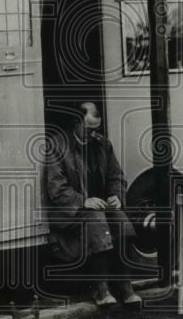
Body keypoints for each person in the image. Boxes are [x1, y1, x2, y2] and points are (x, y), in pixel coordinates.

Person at [42, 101, 143, 308]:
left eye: (96, 128)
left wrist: (116, 195)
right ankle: (101, 289)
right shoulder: (57, 146)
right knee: (97, 222)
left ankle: (125, 287)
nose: (92, 133)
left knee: (121, 221)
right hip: (68, 213)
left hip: (100, 208)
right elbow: (56, 188)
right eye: (89, 129)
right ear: (77, 122)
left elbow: (116, 176)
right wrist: (83, 201)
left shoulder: (103, 144)